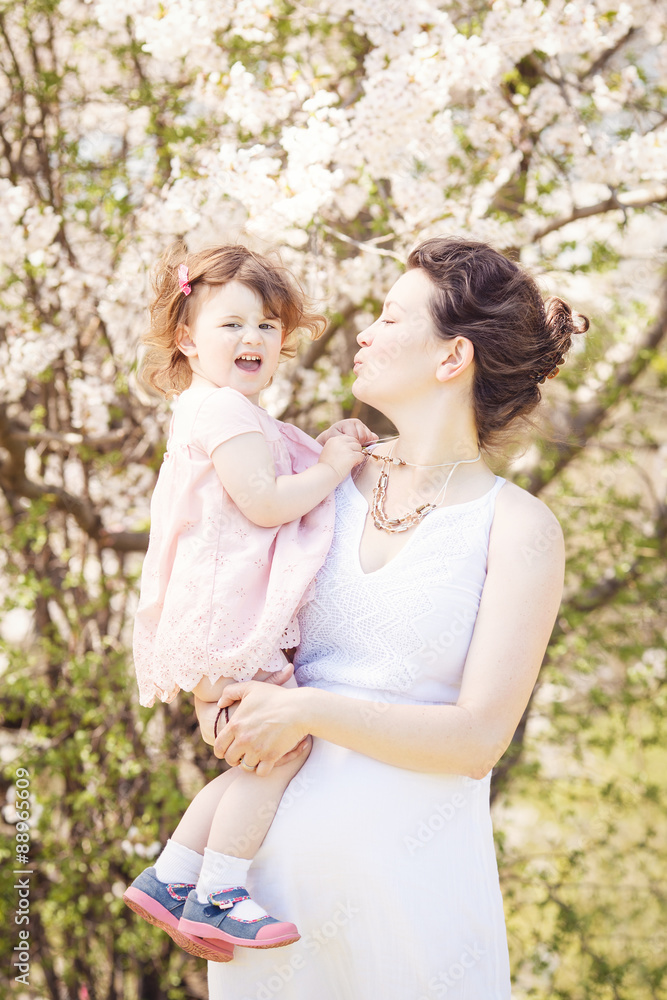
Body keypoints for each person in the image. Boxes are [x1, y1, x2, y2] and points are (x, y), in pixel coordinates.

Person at [196, 236, 589, 997]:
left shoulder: (518, 530)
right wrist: (217, 699)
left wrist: (304, 707)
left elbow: (477, 739)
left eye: (388, 317)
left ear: (452, 360)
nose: (363, 334)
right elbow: (227, 626)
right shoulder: (313, 478)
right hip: (271, 908)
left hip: (419, 917)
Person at [122, 242, 377, 963]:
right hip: (227, 625)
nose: (252, 339)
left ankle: (171, 877)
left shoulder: (224, 411)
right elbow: (264, 502)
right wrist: (331, 465)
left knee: (250, 763)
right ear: (186, 339)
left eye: (267, 325)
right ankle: (220, 890)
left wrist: (317, 449)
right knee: (280, 750)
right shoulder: (224, 413)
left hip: (212, 624)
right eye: (230, 324)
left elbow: (271, 469)